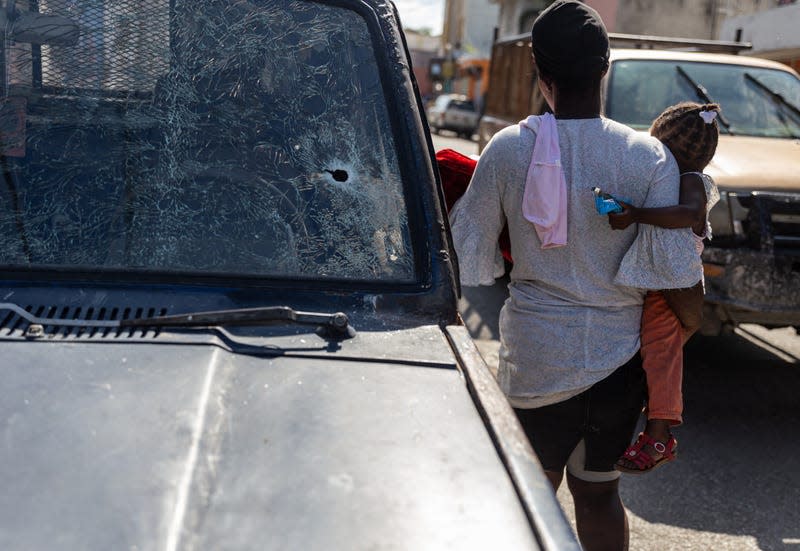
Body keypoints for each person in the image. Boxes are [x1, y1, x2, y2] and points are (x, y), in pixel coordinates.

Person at [448, 2, 701, 549]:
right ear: (605, 67)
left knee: (528, 498)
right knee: (600, 494)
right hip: (618, 361)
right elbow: (679, 275)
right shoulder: (648, 157)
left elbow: (470, 254)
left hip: (536, 357)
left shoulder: (511, 148)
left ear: (541, 72)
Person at [608, 102, 721, 474]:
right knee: (654, 356)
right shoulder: (674, 177)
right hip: (665, 279)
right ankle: (653, 426)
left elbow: (687, 215)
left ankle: (660, 435)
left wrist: (636, 214)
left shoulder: (690, 181)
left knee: (661, 357)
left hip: (673, 286)